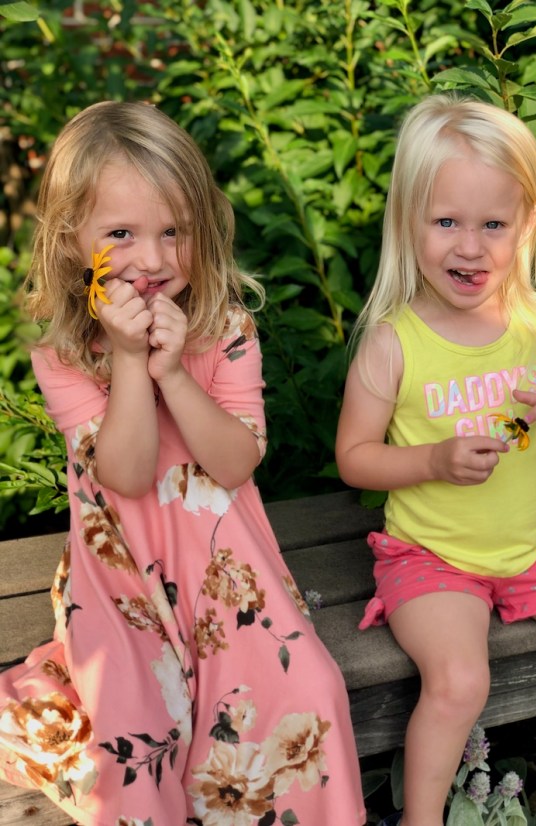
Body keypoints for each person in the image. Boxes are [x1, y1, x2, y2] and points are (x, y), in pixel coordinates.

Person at [0, 100, 366, 826]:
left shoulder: (225, 327)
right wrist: (129, 360)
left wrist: (172, 373)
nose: (153, 259)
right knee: (138, 745)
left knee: (313, 693)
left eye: (175, 231)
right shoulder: (64, 354)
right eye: (121, 234)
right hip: (123, 584)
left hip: (228, 572)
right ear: (73, 242)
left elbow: (236, 463)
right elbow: (127, 474)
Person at [335, 94, 536, 826]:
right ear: (409, 222)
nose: (470, 248)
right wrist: (432, 460)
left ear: (527, 223)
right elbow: (355, 459)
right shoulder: (394, 341)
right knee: (460, 682)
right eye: (446, 223)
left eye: (493, 224)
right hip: (432, 555)